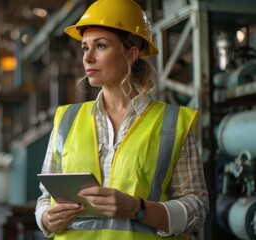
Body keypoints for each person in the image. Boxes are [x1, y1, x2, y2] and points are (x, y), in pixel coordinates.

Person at [34, 0, 209, 239]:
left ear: (131, 54)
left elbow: (197, 208)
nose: (88, 57)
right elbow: (45, 197)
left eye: (101, 46)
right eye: (85, 48)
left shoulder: (171, 123)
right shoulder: (67, 119)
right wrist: (46, 218)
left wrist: (138, 209)